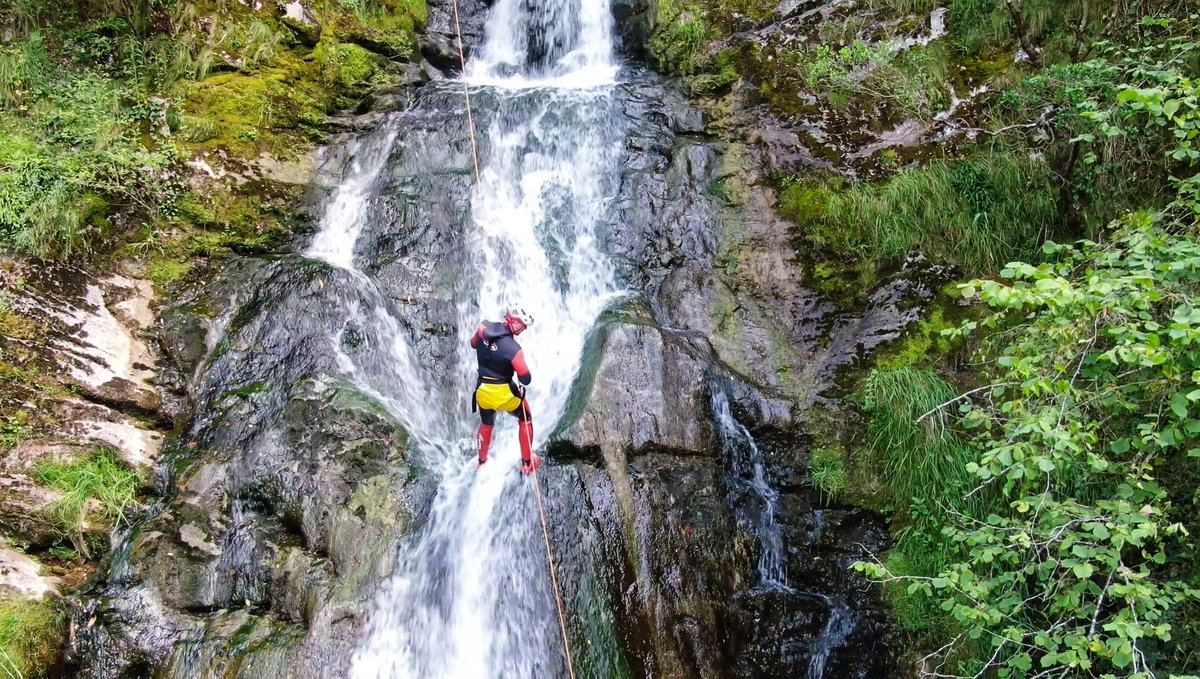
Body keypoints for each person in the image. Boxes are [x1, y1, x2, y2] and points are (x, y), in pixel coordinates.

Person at [471, 306, 540, 473]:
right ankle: (527, 463)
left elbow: (473, 344)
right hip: (504, 394)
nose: (524, 328)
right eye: (522, 325)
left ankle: (482, 462)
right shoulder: (513, 349)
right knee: (526, 418)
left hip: (483, 390)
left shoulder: (484, 328)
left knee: (486, 424)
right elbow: (526, 379)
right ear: (512, 321)